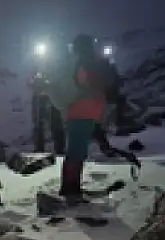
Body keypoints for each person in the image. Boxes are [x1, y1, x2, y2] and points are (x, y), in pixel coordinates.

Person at [42, 33, 113, 200]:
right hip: (82, 113)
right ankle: (69, 188)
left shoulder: (81, 63)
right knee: (76, 152)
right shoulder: (84, 65)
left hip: (82, 113)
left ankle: (72, 187)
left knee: (78, 151)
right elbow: (86, 84)